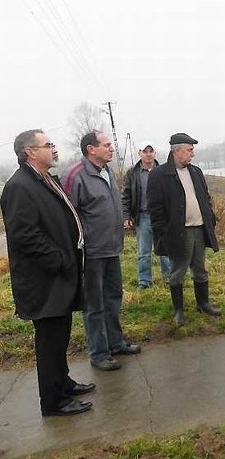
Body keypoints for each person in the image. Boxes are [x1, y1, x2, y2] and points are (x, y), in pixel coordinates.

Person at [0, 129, 94, 416]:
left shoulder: (44, 180)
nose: (54, 149)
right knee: (49, 342)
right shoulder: (19, 186)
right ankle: (53, 402)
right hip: (44, 280)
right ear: (29, 151)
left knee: (60, 336)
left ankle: (62, 383)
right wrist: (59, 259)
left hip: (58, 276)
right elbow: (23, 235)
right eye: (48, 145)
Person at [62, 131, 141, 371]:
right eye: (106, 145)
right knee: (94, 305)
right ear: (91, 149)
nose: (111, 148)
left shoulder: (106, 172)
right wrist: (77, 248)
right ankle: (98, 353)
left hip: (111, 248)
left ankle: (116, 343)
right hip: (91, 252)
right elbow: (67, 216)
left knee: (113, 297)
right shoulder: (76, 175)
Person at [147, 132, 222, 327]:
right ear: (176, 151)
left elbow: (205, 198)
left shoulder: (196, 172)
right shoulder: (159, 175)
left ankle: (203, 304)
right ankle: (178, 311)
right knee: (178, 271)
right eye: (189, 150)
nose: (192, 154)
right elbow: (155, 209)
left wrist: (210, 218)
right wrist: (164, 232)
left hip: (199, 229)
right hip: (178, 233)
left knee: (200, 269)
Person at [122, 141, 171, 289]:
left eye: (151, 151)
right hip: (142, 217)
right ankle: (144, 281)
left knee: (165, 250)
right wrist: (126, 216)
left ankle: (169, 278)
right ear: (140, 153)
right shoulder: (132, 173)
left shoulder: (164, 171)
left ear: (155, 153)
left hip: (162, 217)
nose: (148, 154)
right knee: (144, 252)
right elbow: (126, 195)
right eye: (145, 151)